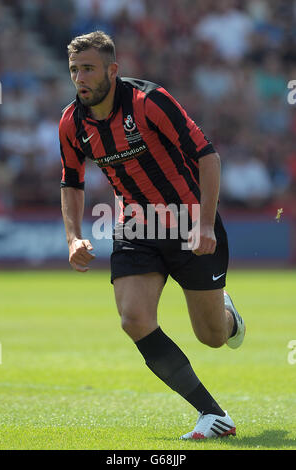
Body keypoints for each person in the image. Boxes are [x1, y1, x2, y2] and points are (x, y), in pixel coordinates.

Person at [59, 31, 246, 440]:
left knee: (212, 337)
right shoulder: (72, 122)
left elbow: (207, 156)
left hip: (189, 221)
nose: (80, 78)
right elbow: (71, 182)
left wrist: (206, 223)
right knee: (134, 319)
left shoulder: (149, 101)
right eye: (74, 70)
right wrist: (73, 237)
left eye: (88, 68)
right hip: (136, 226)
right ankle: (212, 414)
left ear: (112, 70)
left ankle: (229, 317)